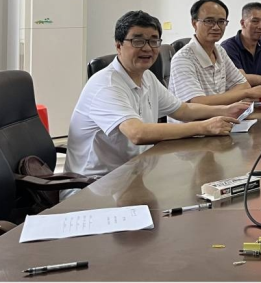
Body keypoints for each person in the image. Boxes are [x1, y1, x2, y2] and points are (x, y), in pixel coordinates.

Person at [63, 10, 248, 184]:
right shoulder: (106, 85)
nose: (147, 48)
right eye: (138, 41)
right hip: (96, 186)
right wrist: (204, 127)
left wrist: (225, 110)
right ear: (119, 45)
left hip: (135, 173)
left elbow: (183, 110)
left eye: (153, 41)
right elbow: (137, 133)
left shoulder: (147, 77)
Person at [169, 0, 261, 118]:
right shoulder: (183, 59)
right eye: (209, 21)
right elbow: (197, 103)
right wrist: (245, 93)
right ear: (194, 23)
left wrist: (218, 100)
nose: (216, 27)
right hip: (194, 127)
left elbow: (243, 84)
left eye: (221, 21)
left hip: (222, 120)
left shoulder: (219, 51)